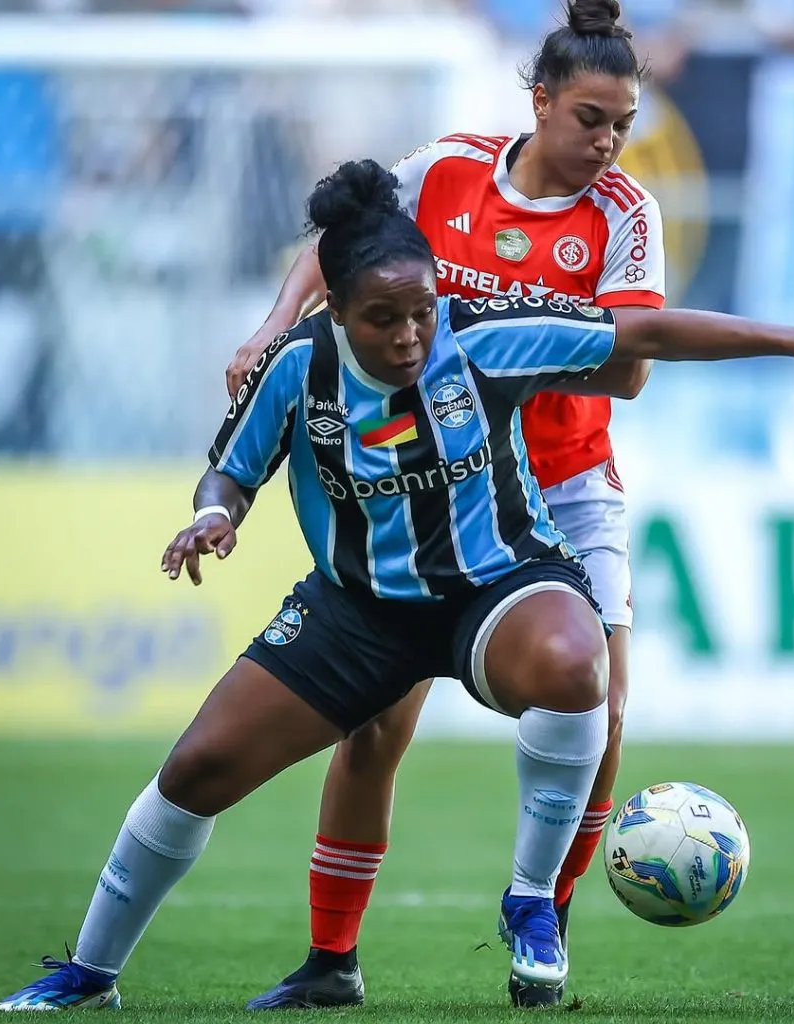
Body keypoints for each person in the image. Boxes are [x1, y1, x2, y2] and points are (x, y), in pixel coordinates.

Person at [0, 159, 794, 1013]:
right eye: (381, 320)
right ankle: (91, 970)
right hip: (357, 611)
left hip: (499, 585)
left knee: (575, 660)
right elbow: (230, 471)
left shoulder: (482, 341)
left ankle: (530, 902)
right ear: (338, 312)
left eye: (422, 312)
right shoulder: (296, 366)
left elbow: (647, 333)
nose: (408, 336)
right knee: (195, 770)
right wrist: (217, 514)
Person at [229, 0, 671, 1007]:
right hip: (448, 481)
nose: (606, 143)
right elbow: (344, 243)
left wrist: (499, 339)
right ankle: (331, 960)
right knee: (375, 725)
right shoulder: (445, 169)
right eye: (590, 118)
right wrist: (273, 325)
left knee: (598, 709)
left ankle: (540, 925)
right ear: (541, 98)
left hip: (564, 486)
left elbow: (634, 368)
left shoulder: (624, 216)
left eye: (621, 125)